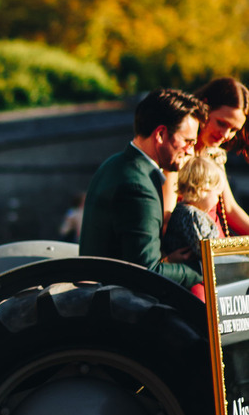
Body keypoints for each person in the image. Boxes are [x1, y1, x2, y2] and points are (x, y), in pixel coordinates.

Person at [79, 89, 203, 288]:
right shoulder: (138, 186)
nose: (191, 150)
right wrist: (201, 270)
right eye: (188, 141)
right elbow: (147, 272)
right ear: (161, 134)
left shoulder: (114, 164)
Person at [162, 76, 249, 237]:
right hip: (193, 250)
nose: (224, 135)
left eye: (234, 130)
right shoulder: (178, 154)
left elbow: (230, 209)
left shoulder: (214, 154)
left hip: (218, 247)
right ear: (204, 107)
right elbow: (166, 216)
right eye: (221, 123)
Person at [162, 154, 224, 274]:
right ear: (202, 190)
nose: (217, 200)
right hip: (192, 277)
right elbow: (208, 250)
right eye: (217, 195)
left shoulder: (181, 210)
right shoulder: (192, 216)